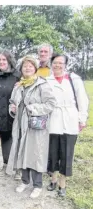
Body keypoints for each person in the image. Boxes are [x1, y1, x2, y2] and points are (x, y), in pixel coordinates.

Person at [6, 55, 56, 198]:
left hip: (35, 127)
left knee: (35, 154)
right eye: (24, 66)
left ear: (35, 68)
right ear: (21, 69)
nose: (27, 68)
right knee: (22, 152)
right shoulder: (19, 85)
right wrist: (13, 108)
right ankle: (24, 180)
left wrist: (33, 108)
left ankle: (37, 185)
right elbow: (12, 101)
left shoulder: (42, 84)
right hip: (20, 125)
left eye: (30, 66)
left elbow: (51, 104)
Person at [46, 54, 89, 197]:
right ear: (51, 64)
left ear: (65, 65)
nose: (57, 65)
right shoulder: (47, 80)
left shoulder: (73, 79)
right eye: (55, 63)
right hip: (53, 119)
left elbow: (82, 99)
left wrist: (82, 118)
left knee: (66, 153)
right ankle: (53, 179)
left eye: (61, 63)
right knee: (53, 151)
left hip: (70, 118)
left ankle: (62, 184)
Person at [0, 50, 21, 178]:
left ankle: (18, 168)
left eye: (4, 60)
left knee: (16, 140)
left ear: (9, 61)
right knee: (5, 140)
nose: (1, 62)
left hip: (13, 114)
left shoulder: (17, 76)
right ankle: (6, 164)